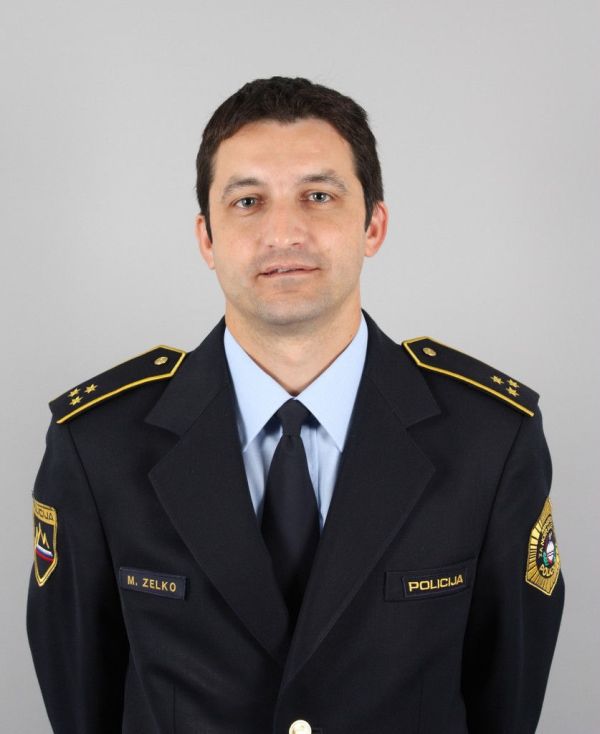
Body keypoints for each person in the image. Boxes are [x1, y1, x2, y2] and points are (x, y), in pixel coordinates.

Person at [27, 76, 564, 734]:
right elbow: (80, 697)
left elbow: (507, 699)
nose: (284, 231)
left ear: (373, 225)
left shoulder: (489, 441)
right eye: (248, 201)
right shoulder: (99, 446)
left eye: (318, 195)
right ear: (206, 239)